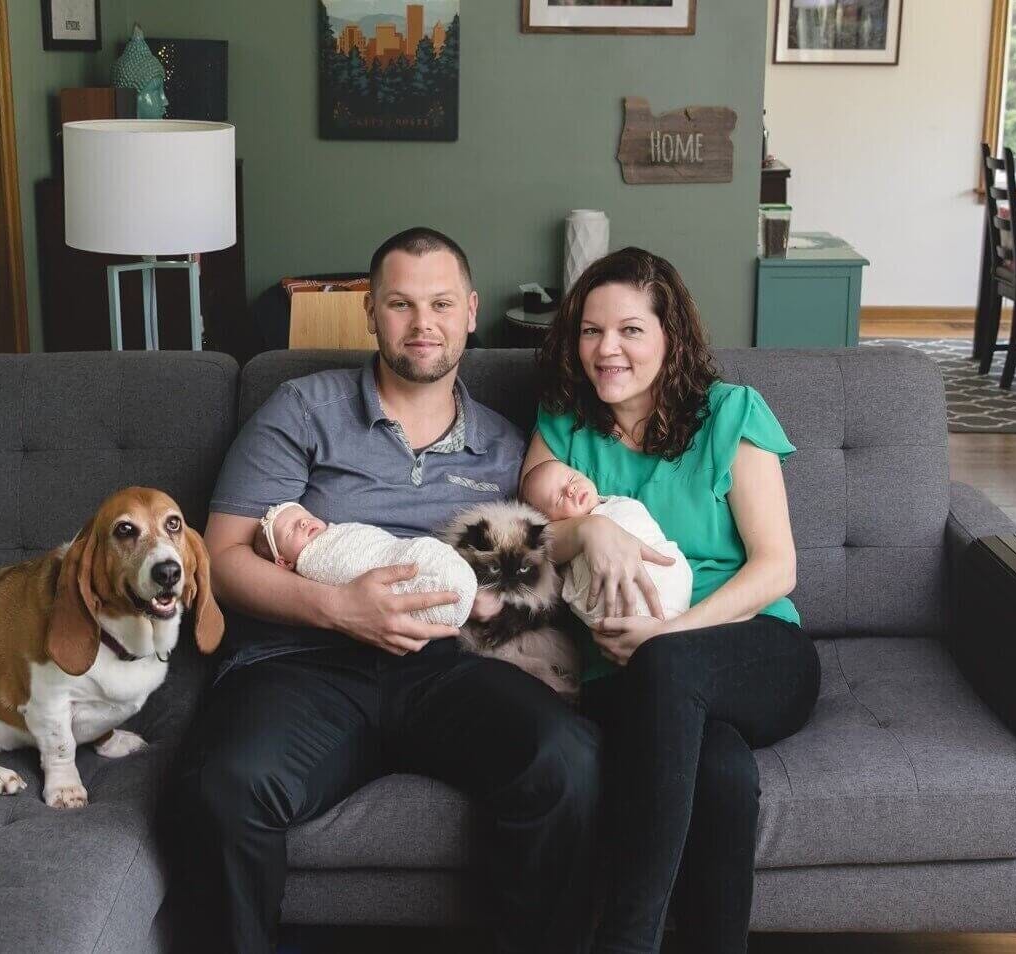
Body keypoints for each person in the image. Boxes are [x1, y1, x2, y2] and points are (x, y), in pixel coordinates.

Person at [164, 227, 601, 954]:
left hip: (450, 669)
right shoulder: (301, 409)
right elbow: (221, 557)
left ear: (468, 311)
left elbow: (544, 555)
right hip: (301, 664)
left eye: (438, 304)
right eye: (399, 304)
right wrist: (336, 607)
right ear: (370, 312)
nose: (421, 324)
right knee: (223, 788)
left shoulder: (505, 447)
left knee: (569, 762)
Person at [524, 246, 822, 954]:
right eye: (591, 331)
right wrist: (588, 529)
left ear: (669, 337)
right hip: (615, 673)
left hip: (753, 648)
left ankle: (626, 940)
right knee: (719, 773)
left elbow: (776, 568)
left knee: (667, 667)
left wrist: (672, 633)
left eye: (630, 330)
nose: (607, 349)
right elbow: (528, 543)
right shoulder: (563, 423)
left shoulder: (730, 413)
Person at [251, 500, 480, 628]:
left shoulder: (339, 532)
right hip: (379, 588)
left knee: (420, 555)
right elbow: (347, 568)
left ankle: (450, 579)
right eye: (291, 529)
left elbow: (374, 543)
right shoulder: (314, 560)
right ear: (284, 562)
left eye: (305, 516)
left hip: (402, 552)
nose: (303, 522)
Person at [522, 459, 693, 629]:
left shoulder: (621, 504)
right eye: (559, 498)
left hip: (676, 587)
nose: (570, 489)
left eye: (571, 478)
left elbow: (649, 531)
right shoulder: (565, 547)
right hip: (630, 615)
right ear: (551, 521)